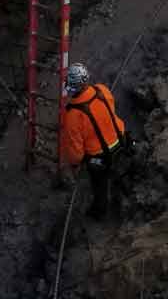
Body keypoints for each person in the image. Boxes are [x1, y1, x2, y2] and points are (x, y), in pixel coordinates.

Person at [57, 63, 129, 219]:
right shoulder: (102, 90)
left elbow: (76, 153)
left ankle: (99, 212)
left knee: (100, 185)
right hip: (121, 140)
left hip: (100, 158)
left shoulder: (72, 116)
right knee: (120, 169)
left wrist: (75, 164)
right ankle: (125, 187)